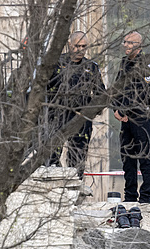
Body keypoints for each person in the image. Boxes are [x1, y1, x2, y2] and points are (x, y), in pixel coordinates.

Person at [45, 31, 105, 177]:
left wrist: (91, 111)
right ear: (69, 45)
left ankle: (75, 185)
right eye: (77, 46)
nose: (80, 50)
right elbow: (44, 90)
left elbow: (101, 95)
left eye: (84, 46)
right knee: (51, 158)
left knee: (77, 159)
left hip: (81, 118)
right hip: (57, 116)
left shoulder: (91, 67)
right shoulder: (57, 64)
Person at [112, 31, 150, 203]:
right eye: (125, 42)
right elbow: (117, 88)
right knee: (127, 157)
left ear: (139, 45)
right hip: (126, 119)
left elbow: (142, 92)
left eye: (130, 43)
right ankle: (130, 195)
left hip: (142, 116)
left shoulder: (146, 64)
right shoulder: (125, 63)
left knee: (145, 156)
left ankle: (145, 196)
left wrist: (124, 110)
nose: (126, 45)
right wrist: (116, 109)